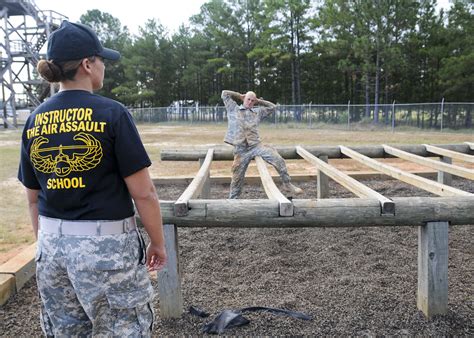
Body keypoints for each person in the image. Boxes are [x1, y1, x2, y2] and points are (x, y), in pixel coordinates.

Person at [17, 21, 167, 336]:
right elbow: (144, 194)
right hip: (106, 248)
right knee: (124, 328)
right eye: (101, 61)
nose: (104, 67)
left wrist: (49, 245)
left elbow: (33, 198)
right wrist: (157, 242)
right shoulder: (112, 113)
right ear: (87, 64)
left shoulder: (34, 120)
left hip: (51, 247)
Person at [221, 90, 303, 199]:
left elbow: (273, 107)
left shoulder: (257, 112)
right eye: (248, 99)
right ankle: (233, 201)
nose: (250, 102)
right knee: (237, 178)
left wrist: (259, 101)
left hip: (256, 146)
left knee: (278, 159)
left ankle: (287, 184)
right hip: (241, 150)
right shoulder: (233, 109)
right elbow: (224, 93)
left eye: (252, 100)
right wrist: (239, 95)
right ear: (244, 99)